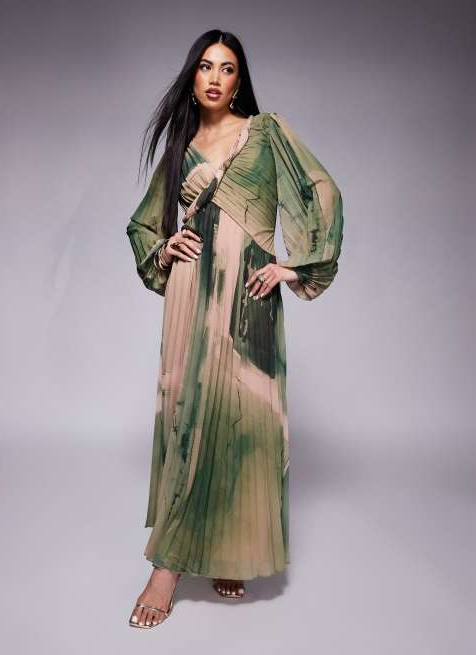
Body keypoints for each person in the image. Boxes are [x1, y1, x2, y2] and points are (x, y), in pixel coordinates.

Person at [125, 29, 344, 629]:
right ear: (192, 77)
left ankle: (230, 548)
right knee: (190, 413)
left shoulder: (265, 133)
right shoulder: (182, 146)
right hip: (192, 296)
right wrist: (166, 247)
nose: (215, 78)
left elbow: (320, 190)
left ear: (239, 80)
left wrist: (293, 265)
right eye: (205, 67)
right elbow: (143, 225)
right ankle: (167, 568)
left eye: (226, 68)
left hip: (249, 297)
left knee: (243, 418)